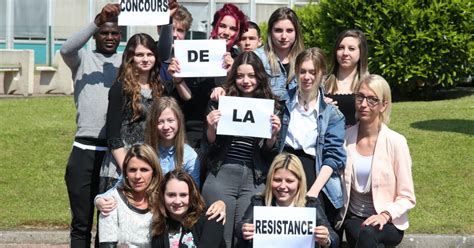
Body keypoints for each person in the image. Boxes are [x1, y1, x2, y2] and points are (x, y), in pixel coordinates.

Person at [201, 51, 281, 247]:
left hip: (255, 178)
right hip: (222, 172)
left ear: (260, 76)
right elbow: (209, 145)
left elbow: (269, 153)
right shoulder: (220, 100)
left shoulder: (273, 105)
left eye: (251, 75)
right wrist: (211, 126)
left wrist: (273, 137)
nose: (246, 81)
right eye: (240, 75)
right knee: (221, 236)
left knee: (246, 237)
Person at [60, 3, 122, 247]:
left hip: (113, 153)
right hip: (84, 150)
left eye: (114, 32)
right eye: (103, 32)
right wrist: (98, 20)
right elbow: (66, 48)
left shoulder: (127, 61)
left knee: (107, 223)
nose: (109, 37)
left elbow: (157, 54)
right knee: (81, 223)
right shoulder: (82, 59)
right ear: (95, 35)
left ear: (120, 36)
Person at [335, 75, 416, 247]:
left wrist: (385, 215)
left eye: (372, 99)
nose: (364, 104)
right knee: (367, 235)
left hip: (389, 221)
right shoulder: (345, 138)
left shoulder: (396, 142)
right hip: (355, 218)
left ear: (383, 105)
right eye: (360, 97)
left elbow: (407, 196)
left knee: (369, 234)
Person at [278, 48, 346, 228]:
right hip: (283, 167)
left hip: (314, 172)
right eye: (302, 71)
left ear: (322, 74)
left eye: (312, 72)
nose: (307, 77)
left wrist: (313, 192)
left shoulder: (333, 114)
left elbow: (333, 158)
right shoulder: (281, 104)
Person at [167, 3, 248, 151]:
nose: (226, 32)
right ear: (214, 26)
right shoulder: (196, 51)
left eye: (233, 28)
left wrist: (232, 73)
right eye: (222, 26)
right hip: (195, 131)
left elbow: (247, 98)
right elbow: (188, 97)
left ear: (238, 34)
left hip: (228, 133)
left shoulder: (242, 60)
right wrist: (178, 78)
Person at [99, 32, 171, 193]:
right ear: (130, 57)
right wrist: (129, 168)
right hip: (121, 167)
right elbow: (113, 136)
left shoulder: (162, 88)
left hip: (151, 165)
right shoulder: (120, 88)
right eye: (139, 54)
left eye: (149, 54)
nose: (145, 59)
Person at [238, 153, 339, 248]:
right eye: (277, 180)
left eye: (289, 181)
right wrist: (244, 231)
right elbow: (240, 227)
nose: (282, 186)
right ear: (270, 180)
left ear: (299, 182)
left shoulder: (311, 205)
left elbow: (334, 238)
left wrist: (326, 239)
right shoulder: (259, 202)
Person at [99, 144, 162, 248]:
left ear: (154, 172)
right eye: (132, 170)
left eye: (144, 170)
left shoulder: (163, 199)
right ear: (125, 173)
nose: (137, 176)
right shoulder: (111, 201)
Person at [151, 170, 225, 247]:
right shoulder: (159, 226)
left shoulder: (211, 218)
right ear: (163, 196)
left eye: (183, 195)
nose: (177, 201)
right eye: (171, 195)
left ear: (192, 195)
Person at [144, 96, 200, 186]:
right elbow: (122, 184)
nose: (166, 127)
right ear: (153, 124)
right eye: (160, 122)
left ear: (179, 122)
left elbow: (193, 193)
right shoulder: (143, 152)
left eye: (170, 120)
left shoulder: (189, 156)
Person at [324, 29, 369, 127]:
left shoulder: (369, 85)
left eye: (351, 49)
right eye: (341, 48)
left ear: (361, 53)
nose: (345, 53)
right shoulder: (322, 83)